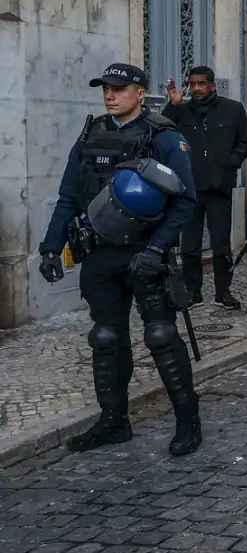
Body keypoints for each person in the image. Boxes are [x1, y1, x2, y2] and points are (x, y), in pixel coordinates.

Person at [38, 63, 203, 456]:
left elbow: (185, 202)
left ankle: (188, 422)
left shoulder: (162, 135)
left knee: (161, 336)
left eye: (119, 88)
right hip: (99, 255)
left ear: (140, 93)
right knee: (106, 338)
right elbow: (68, 196)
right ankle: (114, 422)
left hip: (145, 255)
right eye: (106, 89)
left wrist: (156, 249)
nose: (110, 95)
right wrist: (49, 247)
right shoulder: (91, 134)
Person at [163, 65, 247, 309]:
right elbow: (161, 133)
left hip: (219, 187)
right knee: (189, 245)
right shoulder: (182, 110)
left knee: (221, 244)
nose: (196, 88)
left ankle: (223, 291)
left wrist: (227, 166)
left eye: (201, 84)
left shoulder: (232, 110)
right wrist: (174, 104)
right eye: (192, 84)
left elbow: (245, 143)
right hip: (189, 188)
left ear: (212, 85)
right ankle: (193, 291)